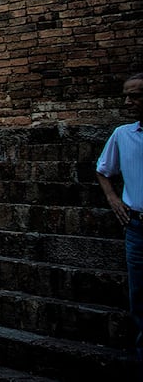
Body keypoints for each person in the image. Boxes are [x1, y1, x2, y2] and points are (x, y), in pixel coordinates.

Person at [96, 73, 143, 362]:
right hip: (137, 227)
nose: (129, 102)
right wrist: (114, 199)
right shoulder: (122, 135)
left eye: (135, 96)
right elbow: (103, 170)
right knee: (139, 304)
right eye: (126, 95)